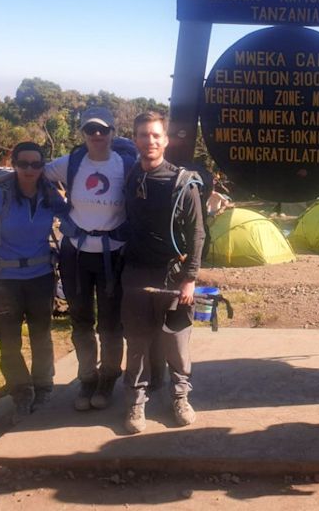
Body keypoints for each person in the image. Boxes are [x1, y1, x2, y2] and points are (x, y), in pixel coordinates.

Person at [0, 142, 68, 423]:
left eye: (36, 164)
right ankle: (21, 394)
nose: (30, 170)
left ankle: (44, 389)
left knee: (41, 338)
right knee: (9, 343)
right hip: (3, 281)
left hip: (40, 278)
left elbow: (72, 218)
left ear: (43, 166)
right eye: (24, 164)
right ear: (15, 165)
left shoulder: (49, 195)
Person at [121, 111, 205, 434]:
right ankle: (135, 402)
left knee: (176, 343)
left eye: (156, 135)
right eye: (144, 135)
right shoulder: (131, 177)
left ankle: (180, 397)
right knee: (138, 343)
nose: (150, 141)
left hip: (172, 277)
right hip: (136, 274)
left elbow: (197, 233)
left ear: (166, 140)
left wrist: (190, 278)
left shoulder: (183, 183)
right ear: (135, 140)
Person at [44, 107, 134, 411]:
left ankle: (108, 378)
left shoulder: (126, 164)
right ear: (82, 134)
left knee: (111, 323)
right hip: (76, 253)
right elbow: (33, 174)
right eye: (90, 130)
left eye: (103, 130)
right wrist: (59, 209)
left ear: (112, 132)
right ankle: (87, 378)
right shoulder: (71, 163)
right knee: (81, 320)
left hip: (114, 254)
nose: (97, 135)